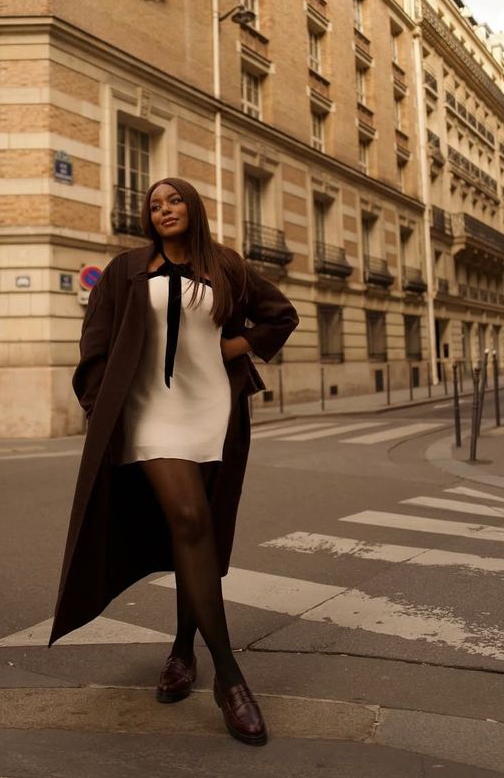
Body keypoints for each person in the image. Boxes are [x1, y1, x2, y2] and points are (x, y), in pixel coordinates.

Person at [49, 177, 299, 745]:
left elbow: (281, 315)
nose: (164, 209)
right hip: (150, 413)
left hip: (213, 409)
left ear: (194, 207)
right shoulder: (126, 269)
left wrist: (239, 344)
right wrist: (99, 409)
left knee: (198, 534)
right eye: (154, 204)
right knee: (189, 520)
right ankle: (230, 679)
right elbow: (95, 345)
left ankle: (184, 651)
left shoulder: (227, 266)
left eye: (174, 200)